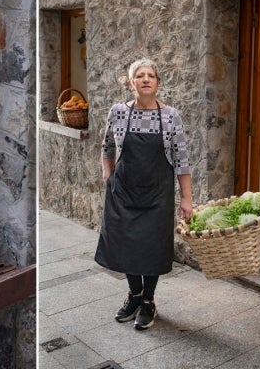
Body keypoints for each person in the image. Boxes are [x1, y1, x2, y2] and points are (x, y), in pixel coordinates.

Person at [94, 57, 193, 330]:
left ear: (158, 83)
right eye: (140, 76)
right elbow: (106, 146)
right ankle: (134, 295)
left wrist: (186, 198)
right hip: (123, 192)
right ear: (130, 83)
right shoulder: (118, 112)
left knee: (151, 248)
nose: (146, 79)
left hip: (157, 196)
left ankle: (148, 301)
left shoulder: (170, 116)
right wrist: (107, 172)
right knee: (126, 243)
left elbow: (182, 159)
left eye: (151, 75)